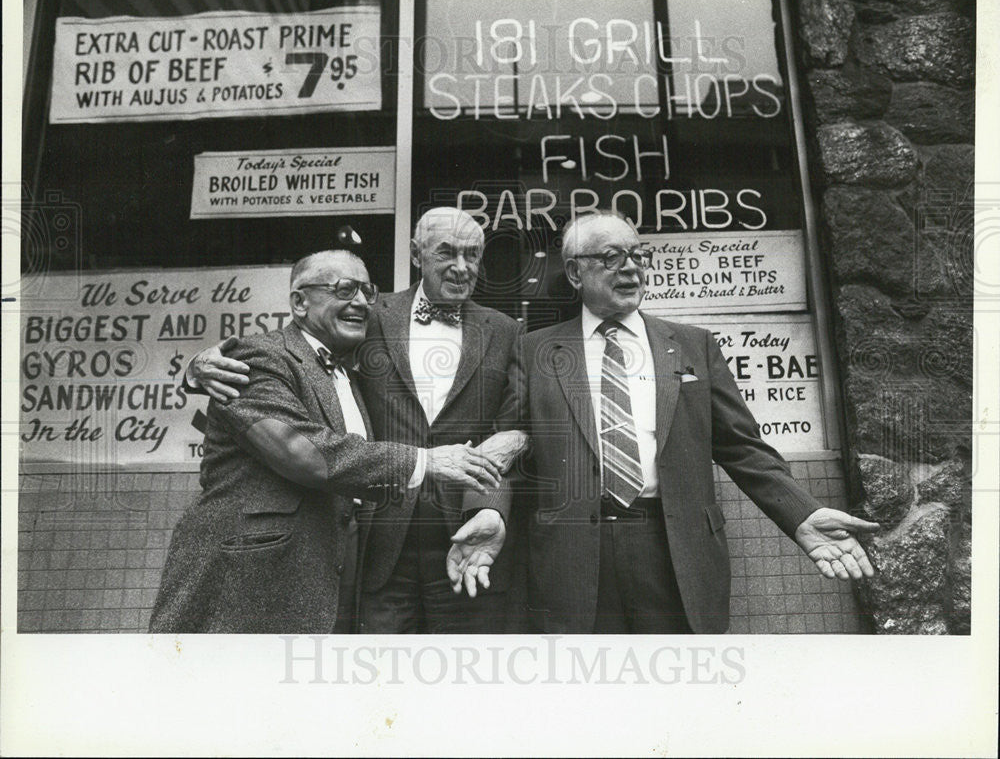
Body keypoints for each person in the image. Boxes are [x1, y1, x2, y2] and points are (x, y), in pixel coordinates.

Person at [499, 210, 880, 633]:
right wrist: (487, 514)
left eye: (637, 256)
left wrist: (801, 513)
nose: (630, 268)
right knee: (590, 690)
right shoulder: (534, 351)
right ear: (574, 272)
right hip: (572, 559)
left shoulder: (694, 345)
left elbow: (744, 447)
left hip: (676, 552)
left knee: (683, 689)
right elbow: (506, 450)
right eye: (611, 257)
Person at [187, 210, 527, 633]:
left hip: (467, 536)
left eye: (473, 255)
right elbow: (294, 357)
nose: (462, 267)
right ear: (416, 255)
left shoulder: (506, 330)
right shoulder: (368, 315)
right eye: (447, 253)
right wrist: (198, 367)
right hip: (375, 543)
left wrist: (494, 497)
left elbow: (514, 427)